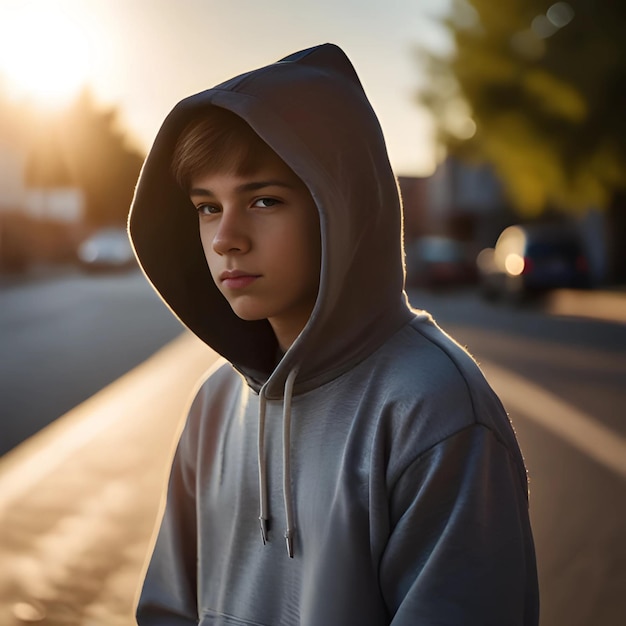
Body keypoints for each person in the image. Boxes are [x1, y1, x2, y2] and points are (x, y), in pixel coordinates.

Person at [129, 43, 539, 625]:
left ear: (337, 207)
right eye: (207, 207)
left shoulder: (435, 408)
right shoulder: (215, 403)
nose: (226, 238)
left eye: (264, 200)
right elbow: (168, 612)